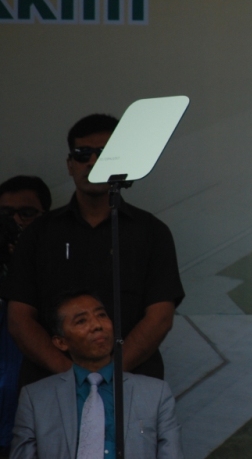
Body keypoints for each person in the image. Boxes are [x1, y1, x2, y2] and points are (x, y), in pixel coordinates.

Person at [0, 114, 184, 389]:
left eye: (104, 153)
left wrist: (107, 373)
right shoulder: (39, 233)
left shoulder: (151, 232)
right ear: (70, 164)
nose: (92, 161)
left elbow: (160, 317)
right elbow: (19, 319)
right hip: (51, 386)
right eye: (82, 153)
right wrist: (73, 376)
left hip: (130, 386)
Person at [10, 290, 183, 459]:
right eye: (81, 321)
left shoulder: (155, 393)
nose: (97, 325)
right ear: (61, 342)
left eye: (101, 315)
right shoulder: (35, 399)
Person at [0, 177, 51, 458]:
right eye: (6, 215)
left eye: (26, 214)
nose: (15, 222)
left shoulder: (60, 268)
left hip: (38, 425)